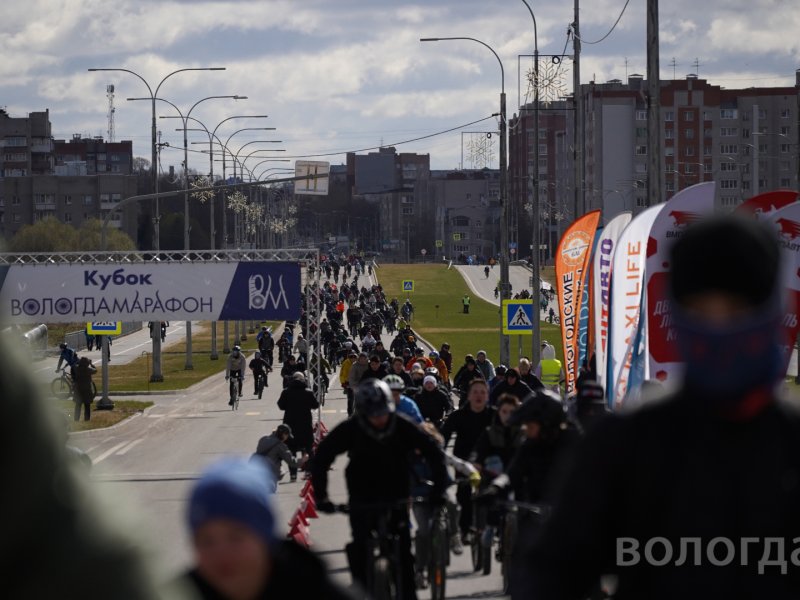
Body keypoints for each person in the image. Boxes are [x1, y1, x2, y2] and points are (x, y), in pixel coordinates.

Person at [524, 216, 800, 599]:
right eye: (702, 313)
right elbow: (551, 574)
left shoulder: (792, 445)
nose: (719, 329)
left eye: (736, 311)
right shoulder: (626, 446)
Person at [312, 380, 449, 599]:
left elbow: (433, 451)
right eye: (373, 414)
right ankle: (361, 590)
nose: (379, 419)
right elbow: (322, 458)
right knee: (359, 548)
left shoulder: (402, 425)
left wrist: (439, 491)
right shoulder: (352, 428)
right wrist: (322, 497)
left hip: (396, 493)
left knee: (403, 553)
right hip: (362, 493)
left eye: (383, 412)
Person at [179, 458, 353, 600]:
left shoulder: (312, 589)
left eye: (236, 537)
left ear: (265, 537)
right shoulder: (176, 592)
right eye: (206, 541)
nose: (221, 552)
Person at [441, 378, 496, 544]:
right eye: (475, 392)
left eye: (482, 392)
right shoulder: (459, 415)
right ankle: (465, 530)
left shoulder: (493, 415)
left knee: (491, 494)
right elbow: (444, 436)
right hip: (463, 461)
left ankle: (490, 527)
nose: (479, 396)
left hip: (488, 462)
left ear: (487, 395)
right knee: (463, 495)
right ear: (469, 396)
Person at [277, 372, 319, 459]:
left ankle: (293, 472)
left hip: (290, 425)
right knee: (308, 449)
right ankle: (309, 469)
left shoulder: (286, 392)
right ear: (303, 380)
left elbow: (281, 406)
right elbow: (315, 405)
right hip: (305, 425)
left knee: (291, 451)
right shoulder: (308, 392)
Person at [72, 355, 97, 422]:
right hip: (86, 389)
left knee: (78, 405)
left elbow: (74, 365)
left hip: (78, 389)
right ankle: (87, 419)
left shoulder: (77, 369)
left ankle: (76, 419)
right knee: (87, 405)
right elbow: (95, 370)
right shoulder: (88, 370)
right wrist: (91, 364)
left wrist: (78, 362)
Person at [339, 350, 358, 416]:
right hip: (348, 382)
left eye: (354, 357)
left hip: (357, 382)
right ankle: (350, 414)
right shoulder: (346, 363)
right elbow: (342, 374)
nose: (353, 358)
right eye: (351, 357)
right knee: (350, 399)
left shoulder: (359, 363)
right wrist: (343, 383)